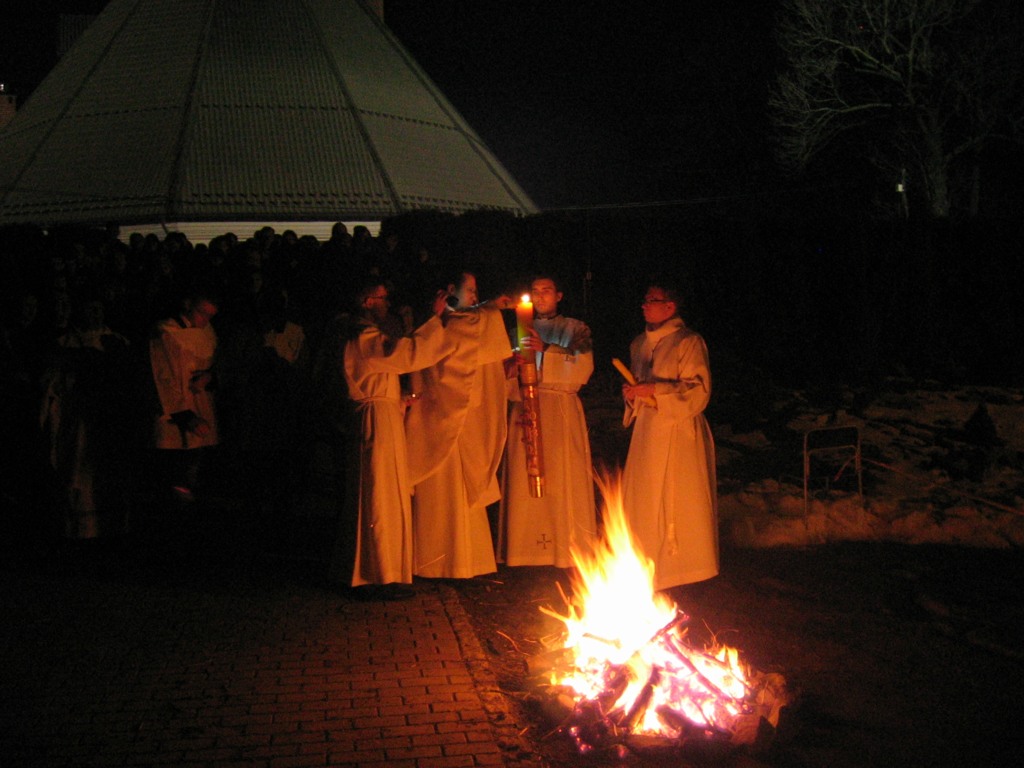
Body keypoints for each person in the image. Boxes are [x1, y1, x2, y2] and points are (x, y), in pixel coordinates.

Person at [327, 278, 451, 599]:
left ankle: (386, 571)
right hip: (375, 422)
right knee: (377, 496)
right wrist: (433, 320)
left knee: (386, 493)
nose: (388, 303)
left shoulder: (364, 335)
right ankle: (376, 575)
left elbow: (379, 375)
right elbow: (403, 354)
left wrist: (397, 400)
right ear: (368, 301)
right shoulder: (362, 334)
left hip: (384, 417)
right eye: (382, 297)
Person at [405, 270, 513, 579]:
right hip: (439, 421)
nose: (477, 297)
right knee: (441, 495)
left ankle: (470, 562)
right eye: (472, 290)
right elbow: (451, 361)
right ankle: (435, 563)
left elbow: (480, 364)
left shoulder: (464, 323)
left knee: (466, 496)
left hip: (467, 422)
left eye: (478, 291)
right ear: (451, 290)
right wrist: (493, 307)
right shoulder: (440, 326)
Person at [620, 281, 718, 592]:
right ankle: (645, 565)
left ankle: (684, 569)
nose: (644, 305)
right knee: (646, 499)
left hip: (677, 431)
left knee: (678, 500)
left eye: (653, 300)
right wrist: (633, 394)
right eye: (645, 299)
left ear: (670, 307)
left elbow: (698, 390)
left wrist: (655, 391)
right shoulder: (639, 344)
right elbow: (640, 385)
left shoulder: (688, 342)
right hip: (648, 431)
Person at [498, 275, 597, 568]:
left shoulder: (576, 328)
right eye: (535, 292)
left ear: (559, 295)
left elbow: (584, 366)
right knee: (522, 475)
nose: (540, 297)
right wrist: (509, 368)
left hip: (560, 409)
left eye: (546, 291)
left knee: (562, 475)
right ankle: (524, 551)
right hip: (526, 407)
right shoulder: (516, 330)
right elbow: (502, 369)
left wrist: (548, 350)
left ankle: (566, 551)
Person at [148, 287, 220, 512]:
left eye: (210, 315)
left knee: (194, 467)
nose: (205, 320)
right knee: (173, 469)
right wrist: (185, 416)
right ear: (188, 305)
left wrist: (210, 376)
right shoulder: (166, 332)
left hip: (201, 405)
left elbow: (212, 363)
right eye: (202, 313)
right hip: (175, 411)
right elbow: (163, 376)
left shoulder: (208, 331)